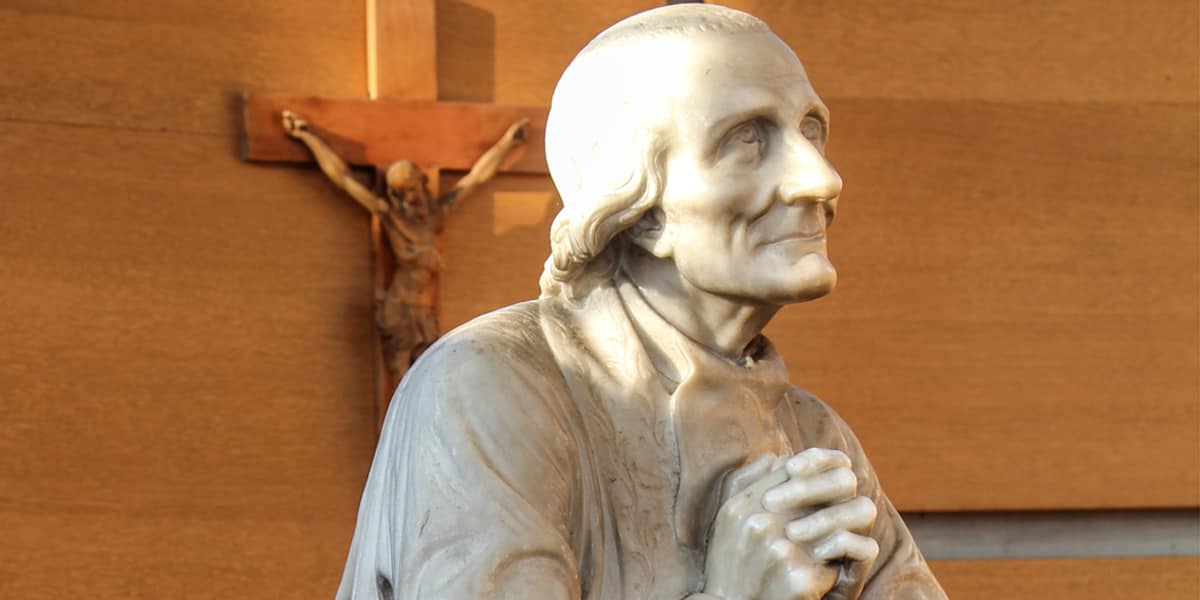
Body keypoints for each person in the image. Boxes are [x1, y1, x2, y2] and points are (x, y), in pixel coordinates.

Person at [337, 5, 947, 599]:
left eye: (811, 130)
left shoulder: (812, 432)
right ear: (642, 212)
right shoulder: (490, 388)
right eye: (747, 140)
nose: (821, 179)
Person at [282, 110, 529, 382]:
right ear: (396, 195)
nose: (414, 195)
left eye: (416, 187)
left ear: (423, 183)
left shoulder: (436, 215)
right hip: (400, 307)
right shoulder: (391, 216)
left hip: (425, 309)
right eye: (406, 192)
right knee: (402, 381)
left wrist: (507, 143)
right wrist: (307, 136)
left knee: (428, 377)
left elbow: (476, 178)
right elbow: (343, 179)